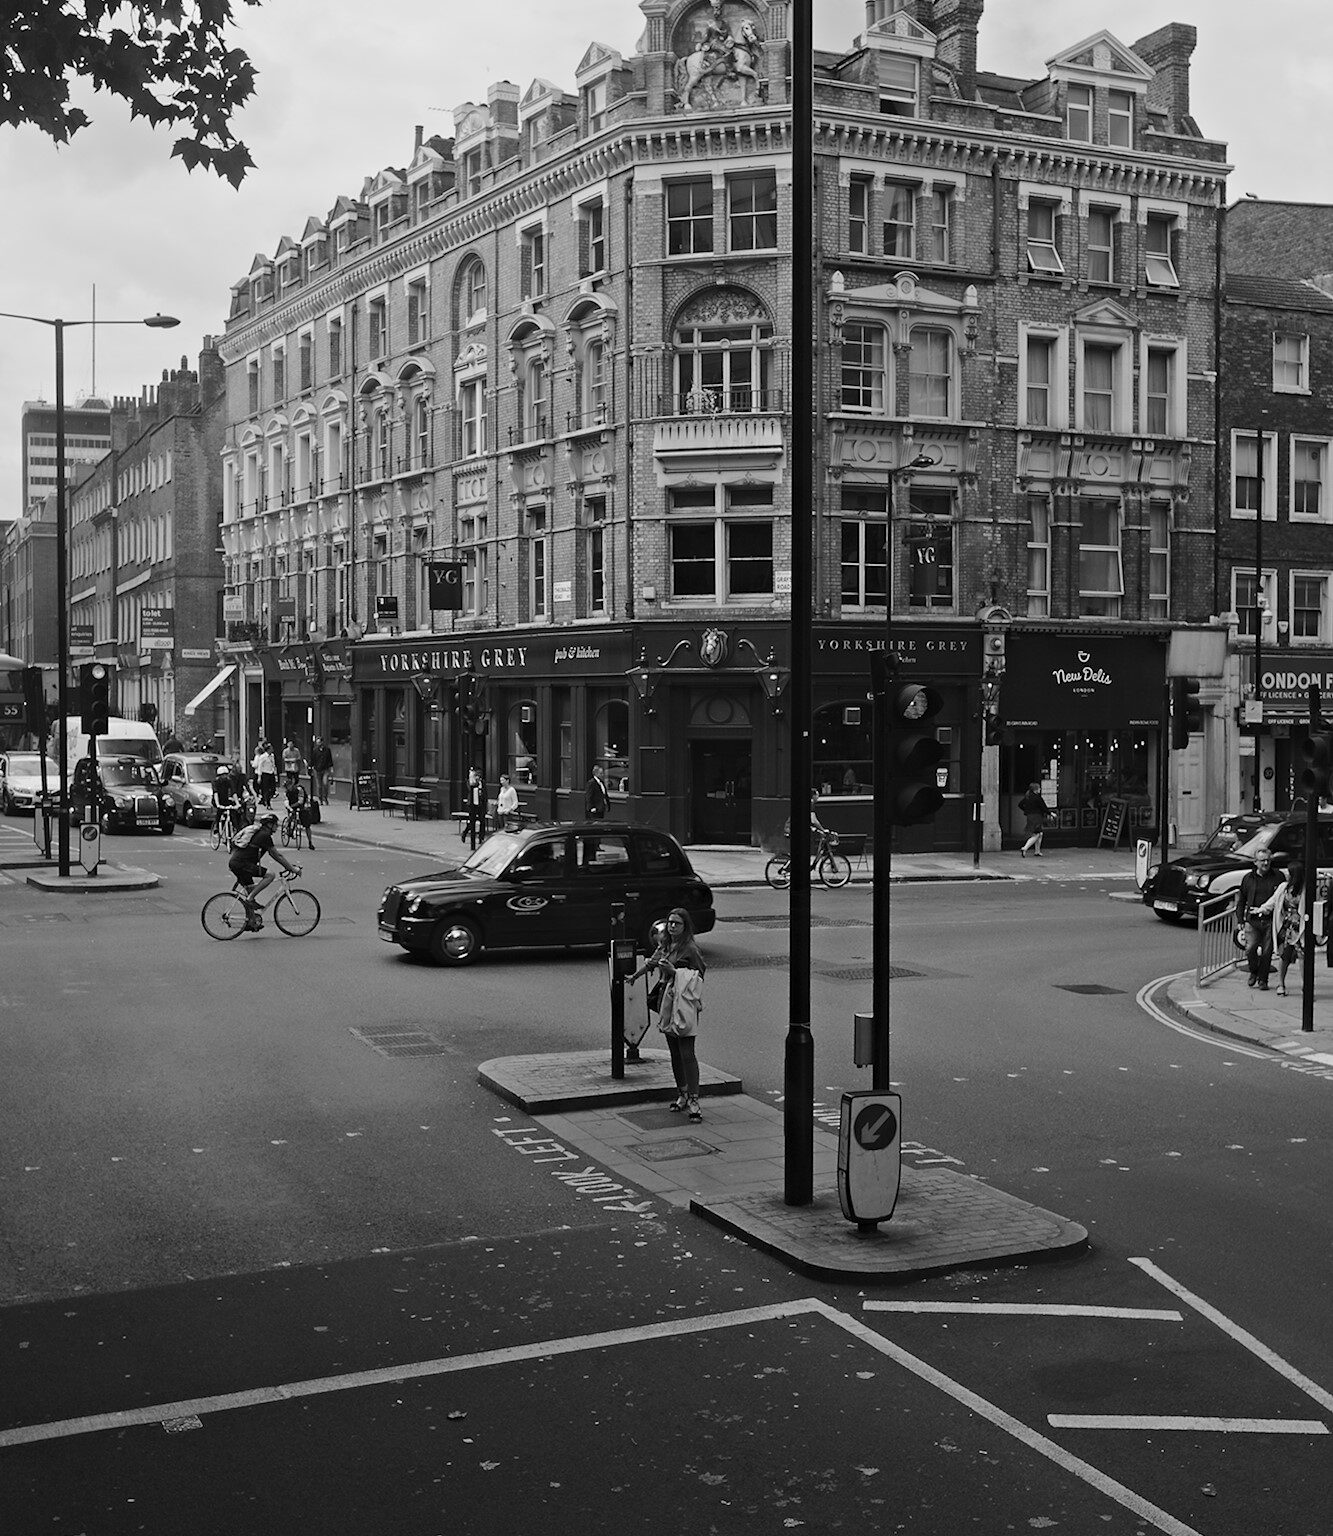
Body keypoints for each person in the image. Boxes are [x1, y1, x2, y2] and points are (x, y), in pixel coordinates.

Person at [630, 907, 706, 1121]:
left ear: (685, 926)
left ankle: (694, 1100)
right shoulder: (664, 945)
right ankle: (681, 1093)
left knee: (687, 1053)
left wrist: (675, 973)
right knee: (674, 1051)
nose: (672, 926)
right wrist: (635, 976)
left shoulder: (690, 948)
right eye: (670, 922)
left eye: (677, 923)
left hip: (684, 1004)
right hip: (667, 1002)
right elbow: (653, 962)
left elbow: (700, 975)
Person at [227, 809, 300, 928]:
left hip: (237, 863)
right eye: (275, 824)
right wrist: (292, 869)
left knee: (250, 891)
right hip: (242, 864)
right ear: (269, 825)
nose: (277, 827)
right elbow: (277, 855)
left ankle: (251, 922)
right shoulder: (264, 836)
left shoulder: (260, 833)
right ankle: (250, 899)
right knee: (270, 875)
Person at [1237, 847, 1286, 990]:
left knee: (1266, 952)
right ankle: (1254, 971)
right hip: (1252, 920)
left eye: (1268, 860)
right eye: (1262, 860)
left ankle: (1263, 980)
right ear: (1255, 862)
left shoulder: (1279, 876)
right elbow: (1241, 901)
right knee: (1250, 949)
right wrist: (1240, 920)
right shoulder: (1248, 878)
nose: (1266, 863)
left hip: (1271, 920)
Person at [1275, 861, 1305, 997]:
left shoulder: (1305, 889)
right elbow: (1273, 900)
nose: (1287, 874)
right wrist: (1262, 908)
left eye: (1289, 871)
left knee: (1302, 956)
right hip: (1286, 926)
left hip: (1300, 927)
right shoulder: (1284, 887)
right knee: (1284, 956)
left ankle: (1306, 985)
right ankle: (1281, 984)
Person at [282, 770, 315, 849]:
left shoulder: (299, 790)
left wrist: (295, 806)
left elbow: (301, 801)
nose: (288, 789)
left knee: (307, 825)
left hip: (301, 807)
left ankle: (310, 842)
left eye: (288, 786)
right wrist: (290, 808)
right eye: (286, 787)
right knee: (290, 817)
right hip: (291, 806)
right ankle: (287, 828)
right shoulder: (286, 792)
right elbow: (286, 801)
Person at [1019, 781, 1052, 857]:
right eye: (1039, 788)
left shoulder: (1027, 797)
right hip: (1037, 817)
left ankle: (1037, 851)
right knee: (1037, 834)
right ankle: (1025, 848)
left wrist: (1026, 810)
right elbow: (1043, 807)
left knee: (1039, 833)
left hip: (1030, 817)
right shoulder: (1037, 798)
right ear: (1036, 789)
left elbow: (1020, 804)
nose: (1040, 789)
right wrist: (1050, 813)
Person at [252, 740, 277, 807]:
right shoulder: (263, 757)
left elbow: (273, 765)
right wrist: (259, 777)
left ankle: (269, 798)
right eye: (271, 748)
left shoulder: (272, 756)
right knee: (265, 789)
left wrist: (275, 774)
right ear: (268, 749)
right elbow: (259, 767)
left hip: (271, 773)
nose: (272, 749)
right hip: (265, 774)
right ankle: (267, 802)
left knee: (272, 788)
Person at [310, 736, 334, 803]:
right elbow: (312, 760)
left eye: (319, 742)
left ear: (322, 742)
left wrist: (331, 768)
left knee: (325, 783)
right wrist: (311, 767)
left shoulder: (327, 750)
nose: (318, 744)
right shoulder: (315, 750)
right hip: (317, 769)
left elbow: (330, 760)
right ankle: (320, 798)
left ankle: (325, 797)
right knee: (319, 785)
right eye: (317, 742)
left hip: (325, 769)